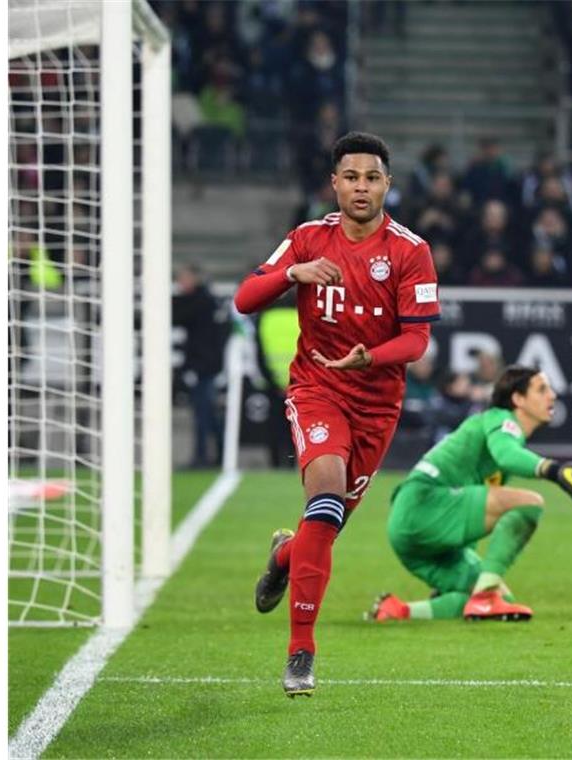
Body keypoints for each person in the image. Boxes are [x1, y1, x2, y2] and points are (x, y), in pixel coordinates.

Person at [233, 132, 441, 697]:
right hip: (318, 389)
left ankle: (282, 556)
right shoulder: (307, 239)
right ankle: (301, 651)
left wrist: (369, 355)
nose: (361, 187)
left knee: (324, 529)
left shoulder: (409, 251)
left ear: (387, 184)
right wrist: (291, 275)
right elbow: (246, 298)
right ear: (335, 182)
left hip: (377, 406)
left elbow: (417, 340)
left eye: (372, 178)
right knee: (324, 500)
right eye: (351, 177)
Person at [367, 366, 572, 623]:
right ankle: (483, 599)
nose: (553, 395)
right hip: (425, 503)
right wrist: (554, 470)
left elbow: (476, 503)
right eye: (542, 389)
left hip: (415, 530)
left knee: (501, 600)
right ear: (518, 399)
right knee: (529, 503)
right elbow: (507, 455)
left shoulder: (498, 432)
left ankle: (399, 611)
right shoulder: (500, 419)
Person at [172, 264, 227, 468]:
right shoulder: (208, 301)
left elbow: (179, 316)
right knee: (207, 413)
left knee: (204, 413)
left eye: (183, 278)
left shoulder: (201, 302)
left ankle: (203, 456)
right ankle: (217, 454)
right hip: (205, 365)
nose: (180, 283)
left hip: (204, 366)